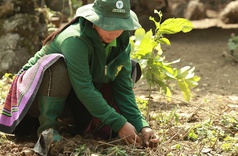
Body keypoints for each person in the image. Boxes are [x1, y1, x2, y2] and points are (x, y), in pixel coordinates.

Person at [0, 0, 159, 147]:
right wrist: (119, 123)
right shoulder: (75, 39)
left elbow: (123, 89)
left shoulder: (122, 41)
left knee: (131, 67)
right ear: (94, 21)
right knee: (59, 67)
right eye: (108, 24)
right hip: (32, 98)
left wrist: (142, 126)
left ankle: (79, 124)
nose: (114, 31)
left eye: (119, 25)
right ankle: (47, 129)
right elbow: (84, 88)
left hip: (73, 96)